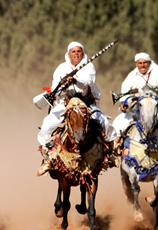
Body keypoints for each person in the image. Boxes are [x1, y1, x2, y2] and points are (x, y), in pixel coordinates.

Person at [37, 41, 117, 175]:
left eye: (79, 51)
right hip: (65, 105)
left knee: (104, 122)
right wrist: (63, 84)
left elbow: (87, 83)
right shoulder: (61, 68)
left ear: (83, 53)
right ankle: (47, 157)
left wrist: (75, 81)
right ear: (68, 54)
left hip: (87, 104)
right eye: (73, 51)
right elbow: (55, 89)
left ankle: (110, 153)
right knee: (47, 123)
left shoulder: (89, 66)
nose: (76, 54)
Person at [111, 52, 158, 176]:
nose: (142, 65)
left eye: (145, 63)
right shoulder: (132, 75)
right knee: (117, 123)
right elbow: (125, 93)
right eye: (140, 63)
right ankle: (114, 153)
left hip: (157, 109)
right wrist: (124, 104)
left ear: (149, 63)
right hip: (137, 110)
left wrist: (157, 92)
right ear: (136, 64)